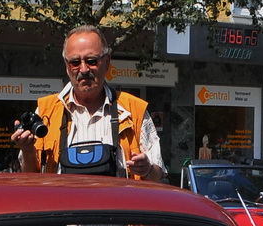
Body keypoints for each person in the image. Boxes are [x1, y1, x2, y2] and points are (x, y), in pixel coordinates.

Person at [13, 25, 164, 182]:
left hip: (118, 199)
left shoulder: (134, 111)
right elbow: (30, 178)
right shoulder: (46, 111)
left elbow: (157, 176)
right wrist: (27, 150)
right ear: (66, 65)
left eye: (91, 61)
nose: (84, 69)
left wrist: (147, 170)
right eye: (75, 62)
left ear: (107, 61)